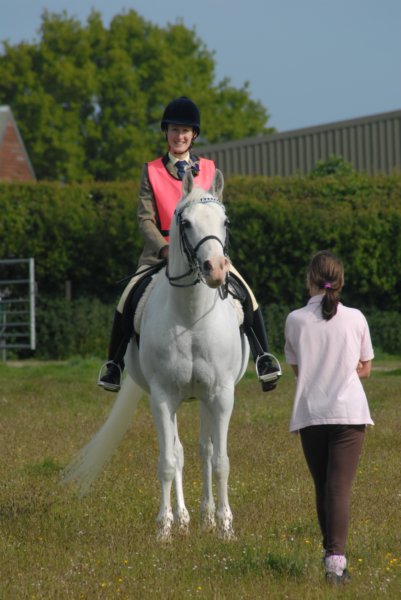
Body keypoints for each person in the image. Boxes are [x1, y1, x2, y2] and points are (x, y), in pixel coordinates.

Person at [98, 96, 281, 393]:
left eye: (185, 131)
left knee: (245, 292)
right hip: (162, 253)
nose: (179, 136)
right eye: (173, 130)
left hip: (204, 252)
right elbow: (145, 219)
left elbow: (214, 215)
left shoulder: (209, 169)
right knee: (128, 297)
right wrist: (165, 248)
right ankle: (114, 365)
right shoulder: (151, 171)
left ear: (193, 135)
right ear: (166, 133)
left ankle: (264, 357)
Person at [284, 250, 374, 585]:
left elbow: (298, 369)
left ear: (310, 280)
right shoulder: (357, 318)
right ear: (340, 281)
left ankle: (331, 556)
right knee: (339, 487)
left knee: (323, 486)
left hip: (311, 413)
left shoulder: (294, 320)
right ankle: (335, 564)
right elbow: (365, 369)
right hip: (348, 413)